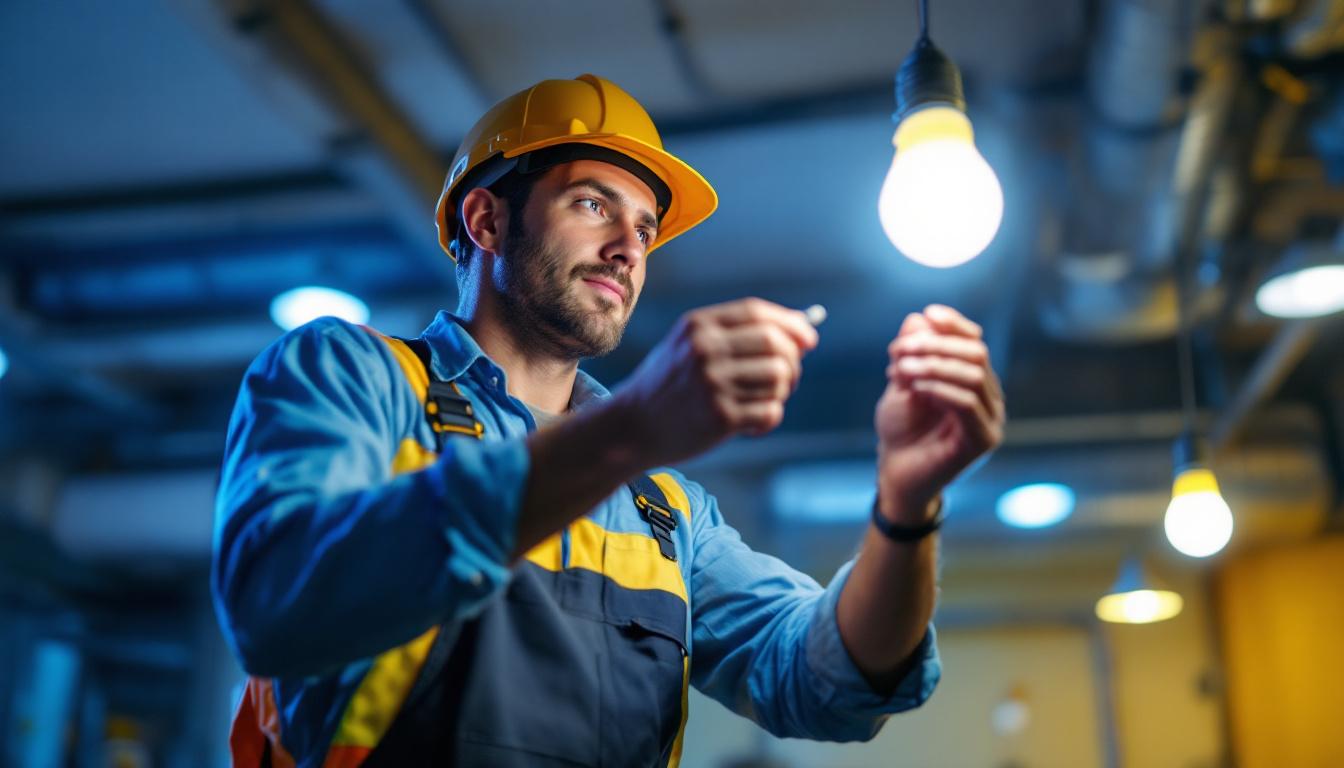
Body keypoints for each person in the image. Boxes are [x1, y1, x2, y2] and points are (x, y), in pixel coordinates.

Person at [214, 74, 1005, 767]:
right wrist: (632, 430)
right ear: (486, 222)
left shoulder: (667, 512)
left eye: (646, 228)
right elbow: (277, 602)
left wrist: (907, 508)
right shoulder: (351, 376)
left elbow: (830, 683)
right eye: (592, 203)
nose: (629, 247)